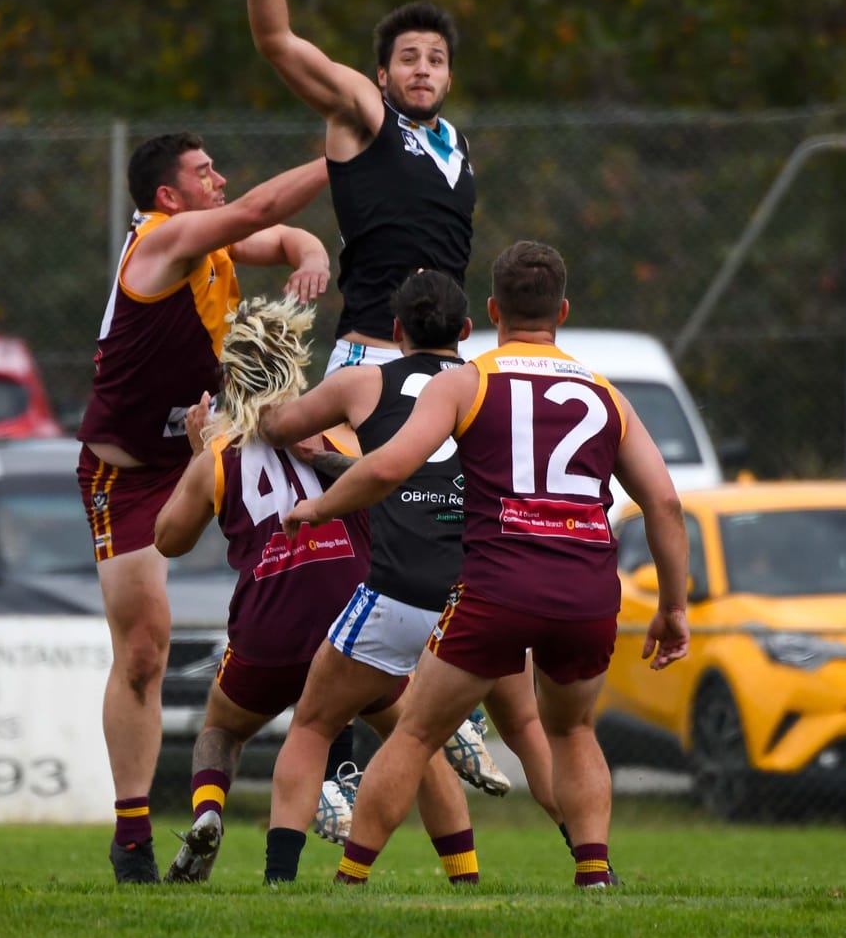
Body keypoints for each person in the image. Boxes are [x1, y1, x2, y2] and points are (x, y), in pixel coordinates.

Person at [283, 241, 691, 888]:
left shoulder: (466, 381)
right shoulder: (606, 393)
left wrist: (318, 507)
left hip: (498, 585)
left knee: (416, 733)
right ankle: (593, 873)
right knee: (573, 731)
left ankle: (351, 877)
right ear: (562, 311)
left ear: (494, 310)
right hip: (586, 589)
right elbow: (664, 502)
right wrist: (673, 607)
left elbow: (388, 468)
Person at [252, 270, 574, 885]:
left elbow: (281, 428)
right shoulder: (487, 384)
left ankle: (281, 879)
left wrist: (255, 400)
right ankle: (589, 859)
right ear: (468, 329)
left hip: (400, 594)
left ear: (396, 329)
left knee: (315, 725)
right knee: (529, 731)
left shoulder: (362, 382)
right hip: (483, 596)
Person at [151, 297, 483, 887]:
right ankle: (465, 875)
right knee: (415, 740)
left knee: (222, 730)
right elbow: (389, 479)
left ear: (230, 378)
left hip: (268, 627)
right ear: (294, 369)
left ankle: (211, 814)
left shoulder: (220, 456)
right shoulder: (340, 433)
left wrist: (197, 455)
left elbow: (168, 540)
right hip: (348, 619)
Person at [76, 132, 331, 884]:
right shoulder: (164, 240)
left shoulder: (209, 240)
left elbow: (278, 232)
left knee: (317, 570)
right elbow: (258, 210)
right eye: (204, 171)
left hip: (202, 446)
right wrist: (347, 156)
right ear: (168, 196)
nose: (219, 178)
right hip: (126, 474)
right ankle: (132, 838)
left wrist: (311, 252)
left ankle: (333, 757)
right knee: (144, 647)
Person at [241, 0, 474, 375]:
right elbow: (276, 41)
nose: (423, 69)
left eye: (436, 60)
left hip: (445, 365)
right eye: (408, 58)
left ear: (449, 78)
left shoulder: (456, 143)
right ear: (382, 76)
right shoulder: (365, 115)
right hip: (372, 359)